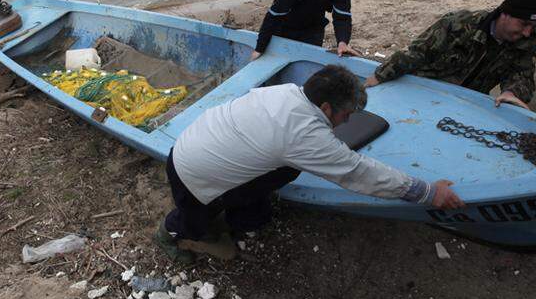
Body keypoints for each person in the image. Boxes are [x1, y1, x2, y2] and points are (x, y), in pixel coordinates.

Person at [155, 64, 464, 263]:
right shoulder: (303, 135)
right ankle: (173, 234)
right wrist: (428, 193)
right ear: (326, 106)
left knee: (264, 205)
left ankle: (237, 215)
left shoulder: (287, 92)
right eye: (345, 115)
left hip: (191, 149)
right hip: (193, 178)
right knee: (193, 222)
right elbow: (360, 173)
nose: (346, 122)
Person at [363, 0, 536, 110]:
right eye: (523, 24)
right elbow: (417, 53)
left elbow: (522, 75)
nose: (527, 32)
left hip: (465, 104)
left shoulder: (526, 40)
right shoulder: (458, 24)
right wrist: (380, 75)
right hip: (423, 92)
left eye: (533, 27)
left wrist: (511, 92)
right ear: (505, 13)